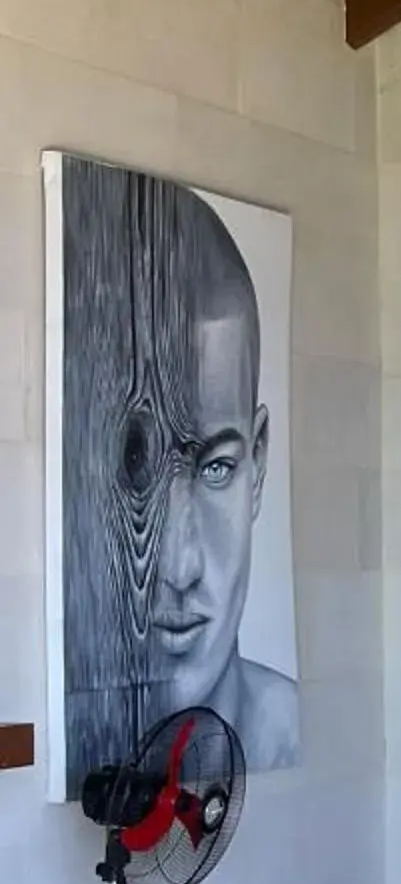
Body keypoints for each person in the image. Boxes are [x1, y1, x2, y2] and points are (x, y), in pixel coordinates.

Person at [61, 168, 298, 782]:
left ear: (260, 461)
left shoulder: (289, 728)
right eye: (133, 469)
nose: (179, 567)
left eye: (217, 467)